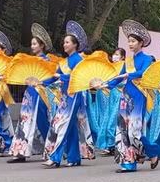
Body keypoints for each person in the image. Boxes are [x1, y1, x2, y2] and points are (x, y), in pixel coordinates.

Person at [43, 21, 96, 168]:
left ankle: (55, 157)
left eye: (67, 42)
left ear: (75, 45)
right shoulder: (64, 62)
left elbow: (76, 77)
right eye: (64, 42)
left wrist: (61, 77)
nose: (65, 44)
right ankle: (74, 157)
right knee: (70, 127)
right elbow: (55, 76)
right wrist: (42, 82)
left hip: (75, 95)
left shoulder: (79, 60)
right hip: (65, 96)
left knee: (62, 125)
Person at [111, 20, 160, 173]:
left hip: (139, 96)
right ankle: (128, 163)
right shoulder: (129, 61)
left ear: (141, 43)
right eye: (129, 41)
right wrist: (106, 84)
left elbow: (144, 73)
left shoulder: (146, 59)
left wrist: (129, 74)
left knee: (134, 131)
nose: (130, 44)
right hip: (126, 96)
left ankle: (152, 151)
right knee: (122, 129)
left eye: (133, 41)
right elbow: (119, 77)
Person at [8, 24, 54, 163]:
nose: (32, 46)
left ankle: (52, 147)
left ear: (42, 46)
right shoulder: (29, 61)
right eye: (32, 44)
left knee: (42, 122)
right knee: (24, 121)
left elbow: (52, 77)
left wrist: (40, 83)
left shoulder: (47, 61)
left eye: (34, 44)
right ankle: (20, 151)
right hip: (29, 93)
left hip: (40, 93)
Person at [92, 48, 125, 156]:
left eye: (117, 54)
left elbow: (121, 81)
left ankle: (113, 145)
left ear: (122, 57)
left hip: (120, 96)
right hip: (111, 96)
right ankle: (110, 145)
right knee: (107, 121)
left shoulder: (124, 66)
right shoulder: (111, 67)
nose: (114, 56)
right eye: (114, 54)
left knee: (112, 122)